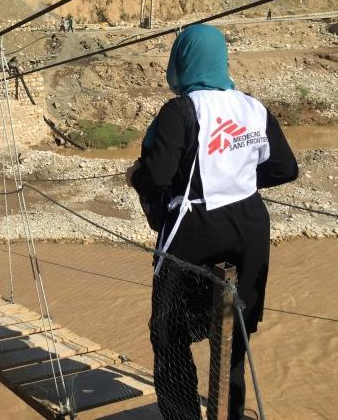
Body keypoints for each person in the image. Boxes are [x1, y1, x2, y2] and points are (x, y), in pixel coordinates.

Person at [126, 24, 298, 420]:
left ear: (182, 61)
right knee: (234, 332)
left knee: (168, 333)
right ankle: (231, 415)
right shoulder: (252, 107)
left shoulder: (182, 111)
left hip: (196, 230)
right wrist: (238, 176)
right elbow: (285, 168)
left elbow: (158, 175)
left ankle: (183, 415)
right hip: (250, 229)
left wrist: (135, 176)